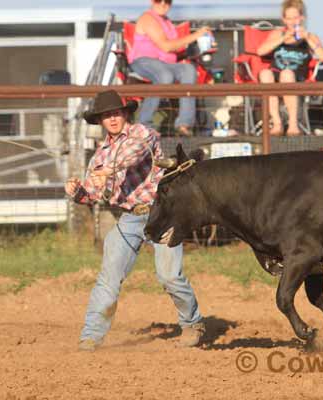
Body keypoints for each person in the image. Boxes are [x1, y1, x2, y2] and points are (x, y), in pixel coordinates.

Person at [65, 89, 205, 351]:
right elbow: (93, 195)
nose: (113, 119)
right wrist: (78, 192)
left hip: (162, 213)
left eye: (116, 113)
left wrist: (109, 169)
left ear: (125, 114)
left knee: (169, 276)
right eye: (106, 116)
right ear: (100, 121)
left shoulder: (144, 133)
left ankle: (192, 323)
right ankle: (91, 335)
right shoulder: (99, 156)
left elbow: (137, 153)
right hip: (130, 218)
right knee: (109, 276)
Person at [129, 0, 212, 136]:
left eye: (167, 1)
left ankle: (184, 123)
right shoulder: (148, 18)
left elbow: (175, 47)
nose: (163, 4)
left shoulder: (167, 21)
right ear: (152, 1)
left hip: (166, 63)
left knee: (189, 70)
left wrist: (200, 46)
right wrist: (196, 35)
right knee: (165, 76)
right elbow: (166, 46)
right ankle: (144, 124)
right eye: (158, 0)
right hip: (143, 61)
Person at [256, 0, 323, 136]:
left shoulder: (310, 37)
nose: (292, 22)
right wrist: (283, 38)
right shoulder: (278, 34)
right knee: (265, 73)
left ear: (302, 18)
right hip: (275, 74)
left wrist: (308, 39)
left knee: (287, 73)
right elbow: (260, 51)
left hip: (297, 77)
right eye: (288, 18)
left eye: (295, 17)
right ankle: (276, 123)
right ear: (284, 20)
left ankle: (293, 124)